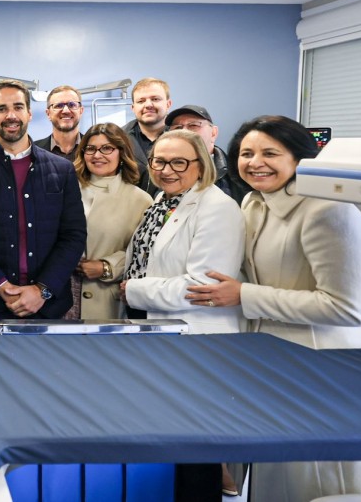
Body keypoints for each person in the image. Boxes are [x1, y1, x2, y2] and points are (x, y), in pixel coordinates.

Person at [186, 115, 361, 501]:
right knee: (277, 476)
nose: (254, 162)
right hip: (272, 362)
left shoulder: (328, 211)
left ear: (300, 158)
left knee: (320, 481)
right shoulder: (252, 203)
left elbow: (348, 307)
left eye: (269, 153)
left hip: (323, 365)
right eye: (246, 153)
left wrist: (244, 295)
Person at [120, 128, 244, 501]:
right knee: (170, 444)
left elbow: (202, 288)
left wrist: (133, 288)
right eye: (159, 161)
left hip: (197, 340)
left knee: (196, 449)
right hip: (161, 333)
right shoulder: (165, 199)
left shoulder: (217, 208)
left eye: (179, 162)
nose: (166, 169)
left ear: (200, 164)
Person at [0, 80, 86, 321]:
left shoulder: (62, 170)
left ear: (29, 113)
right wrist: (1, 286)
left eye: (18, 107)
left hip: (49, 307)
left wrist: (41, 290)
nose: (10, 115)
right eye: (1, 109)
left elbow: (73, 235)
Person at [71, 123, 152, 319]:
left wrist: (108, 266)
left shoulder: (140, 200)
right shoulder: (65, 190)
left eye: (107, 148)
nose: (97, 155)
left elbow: (145, 252)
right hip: (61, 296)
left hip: (106, 299)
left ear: (121, 153)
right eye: (90, 149)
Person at [166, 104, 248, 203]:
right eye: (178, 127)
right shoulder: (159, 170)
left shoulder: (238, 171)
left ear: (214, 133)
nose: (184, 131)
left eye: (193, 125)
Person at [123, 77, 172, 196]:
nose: (148, 105)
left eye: (155, 99)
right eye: (141, 101)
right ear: (133, 108)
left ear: (168, 104)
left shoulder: (184, 139)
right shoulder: (117, 139)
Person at [34, 85, 84, 162]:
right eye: (58, 106)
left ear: (81, 111)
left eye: (72, 105)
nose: (66, 110)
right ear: (48, 114)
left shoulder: (94, 149)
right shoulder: (33, 151)